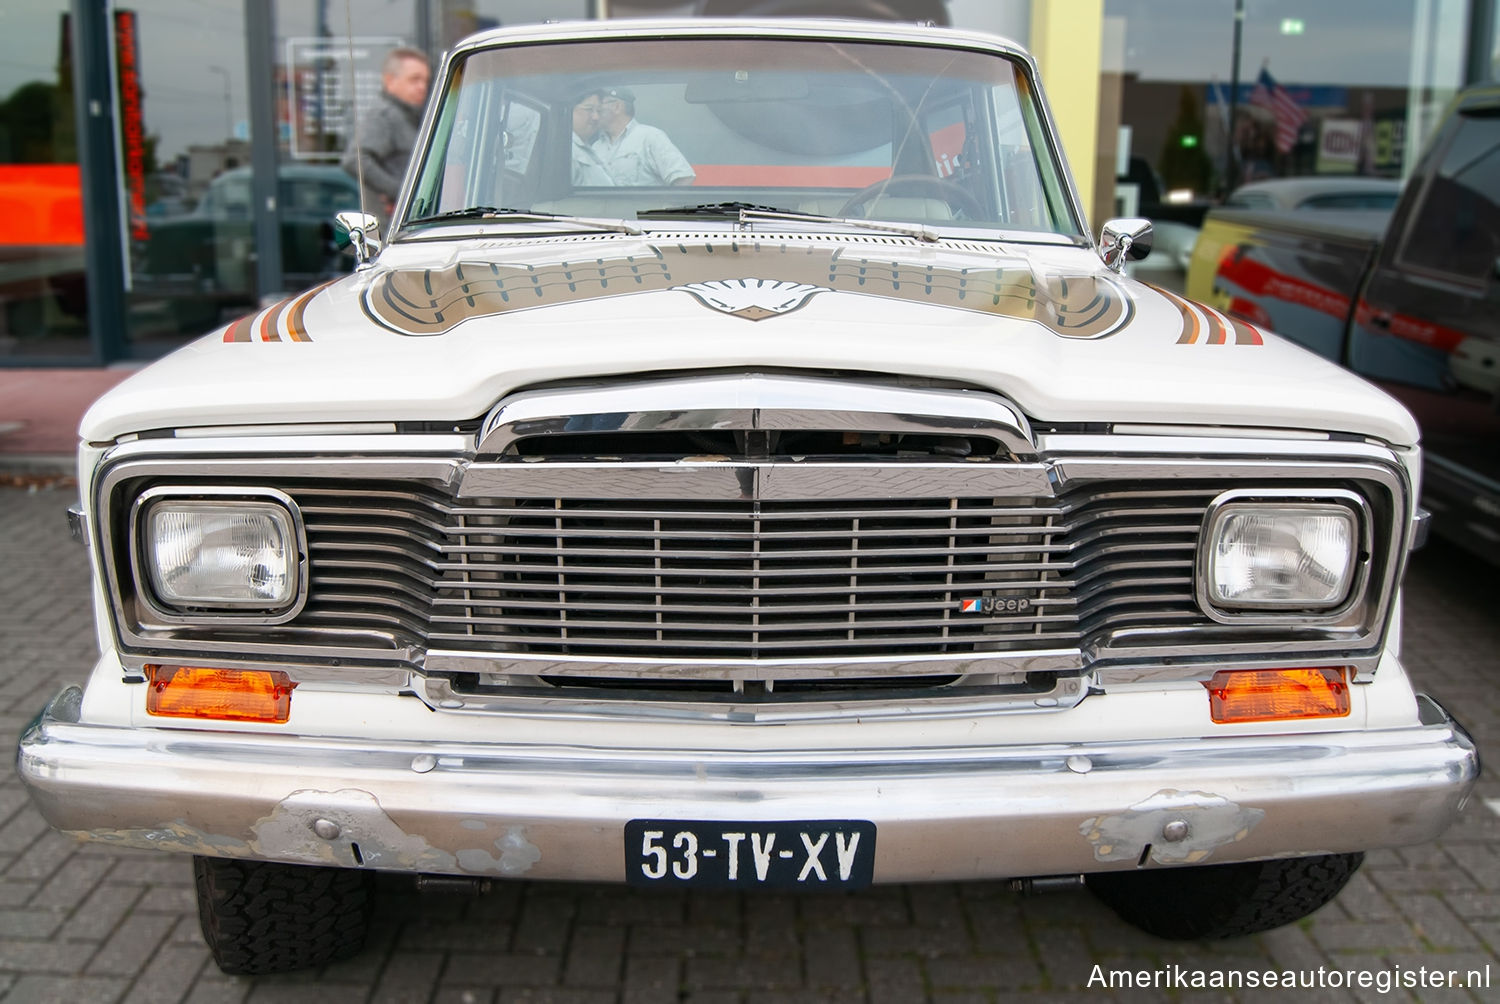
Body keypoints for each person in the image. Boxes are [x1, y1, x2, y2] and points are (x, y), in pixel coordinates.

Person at [341, 46, 430, 222]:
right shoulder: (383, 116)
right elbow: (355, 160)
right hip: (389, 229)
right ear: (390, 81)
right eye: (414, 80)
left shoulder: (413, 117)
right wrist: (402, 193)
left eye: (426, 81)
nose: (422, 87)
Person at [591, 86, 695, 186]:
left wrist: (666, 204)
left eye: (599, 107)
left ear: (617, 106)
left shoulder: (650, 137)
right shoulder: (596, 147)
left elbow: (684, 178)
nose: (594, 114)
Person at [570, 89, 615, 186]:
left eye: (599, 111)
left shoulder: (585, 148)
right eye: (589, 109)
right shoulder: (565, 151)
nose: (596, 117)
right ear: (569, 110)